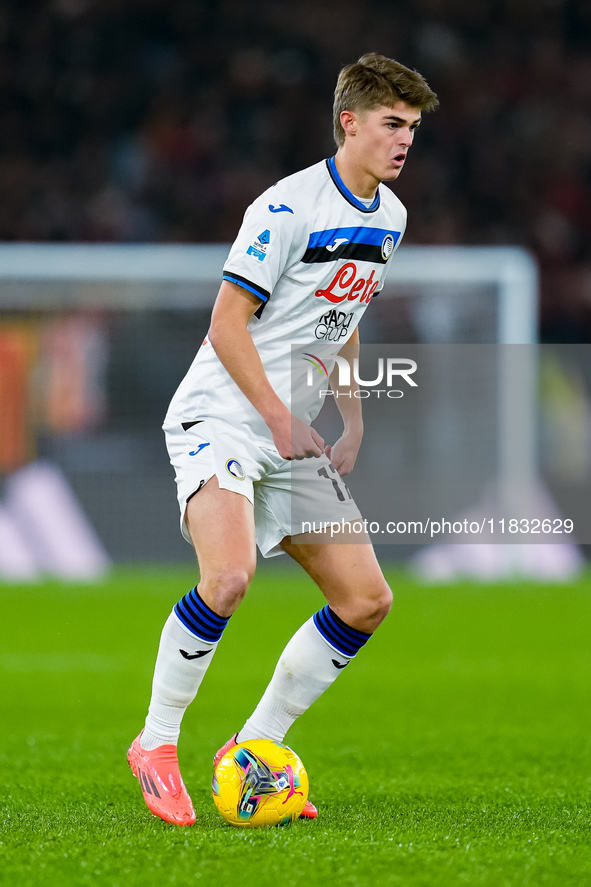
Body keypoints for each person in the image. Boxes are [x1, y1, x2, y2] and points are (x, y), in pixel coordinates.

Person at [128, 52, 438, 825]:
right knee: (228, 578)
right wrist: (273, 414)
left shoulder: (390, 218)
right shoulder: (285, 207)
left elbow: (344, 314)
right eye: (393, 124)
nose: (405, 141)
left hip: (291, 430)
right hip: (224, 415)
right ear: (350, 122)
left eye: (413, 128)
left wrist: (354, 415)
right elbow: (226, 323)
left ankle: (254, 747)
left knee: (366, 599)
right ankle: (155, 742)